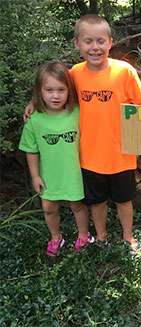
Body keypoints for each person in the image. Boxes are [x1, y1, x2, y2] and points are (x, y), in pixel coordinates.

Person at [25, 14, 141, 253]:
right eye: (88, 41)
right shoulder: (74, 75)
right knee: (97, 201)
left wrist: (140, 139)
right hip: (88, 155)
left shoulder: (125, 71)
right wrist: (33, 104)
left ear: (110, 42)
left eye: (101, 41)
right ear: (77, 44)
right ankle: (101, 237)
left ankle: (129, 237)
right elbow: (54, 93)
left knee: (124, 200)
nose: (95, 47)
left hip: (122, 152)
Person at [19, 61, 93, 257]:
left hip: (73, 173)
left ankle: (84, 235)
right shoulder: (35, 120)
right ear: (39, 91)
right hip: (49, 175)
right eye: (49, 90)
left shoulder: (77, 113)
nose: (55, 95)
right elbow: (31, 150)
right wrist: (35, 176)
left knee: (77, 206)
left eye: (61, 89)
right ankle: (55, 238)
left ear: (69, 90)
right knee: (49, 208)